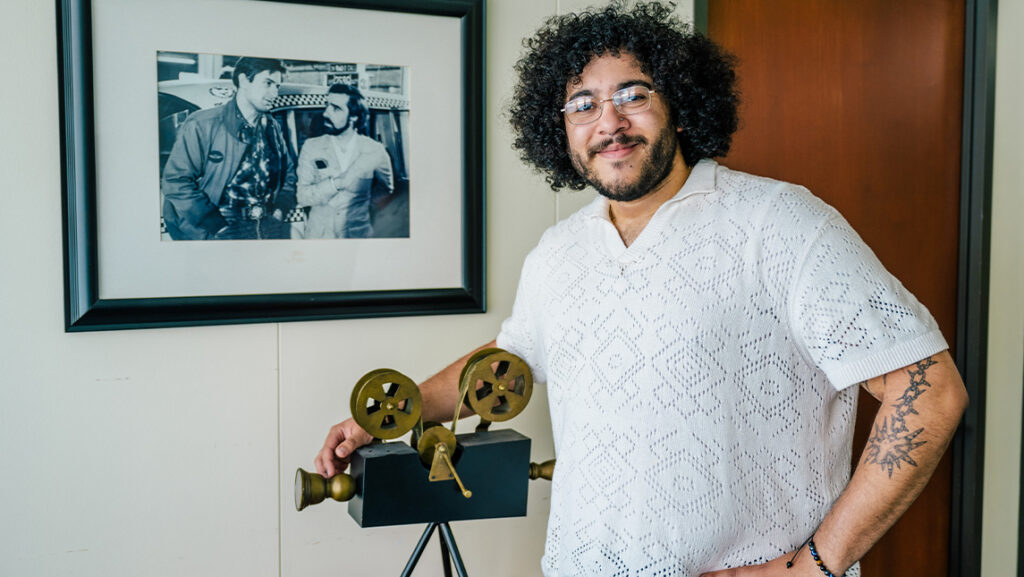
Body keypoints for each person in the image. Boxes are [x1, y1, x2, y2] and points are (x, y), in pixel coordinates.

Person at [314, 3, 968, 576]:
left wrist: (818, 563)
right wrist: (389, 414)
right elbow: (509, 362)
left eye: (632, 94)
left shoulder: (780, 222)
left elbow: (929, 390)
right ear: (560, 128)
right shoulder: (558, 252)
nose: (609, 122)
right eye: (583, 103)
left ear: (679, 104)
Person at [162, 57, 297, 240]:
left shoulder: (272, 127)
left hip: (267, 225)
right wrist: (215, 225)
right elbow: (176, 181)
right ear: (243, 81)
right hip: (221, 225)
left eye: (277, 86)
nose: (274, 94)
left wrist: (280, 209)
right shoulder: (203, 124)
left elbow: (288, 174)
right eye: (268, 83)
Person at [296, 83, 394, 238]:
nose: (326, 114)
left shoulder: (375, 150)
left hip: (358, 239)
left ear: (354, 116)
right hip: (319, 240)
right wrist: (335, 184)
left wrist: (359, 208)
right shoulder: (311, 147)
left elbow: (384, 191)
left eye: (336, 108)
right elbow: (302, 196)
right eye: (327, 106)